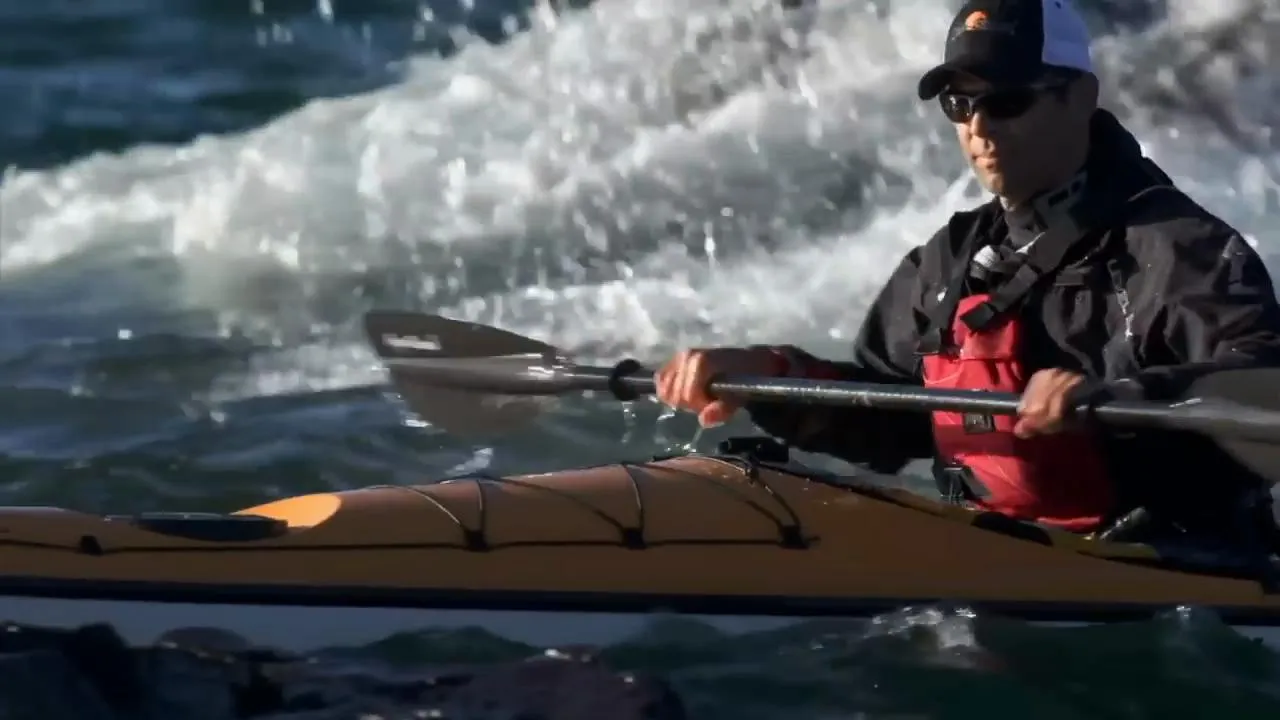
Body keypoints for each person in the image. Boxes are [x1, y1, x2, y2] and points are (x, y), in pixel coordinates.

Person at [654, 0, 1280, 546]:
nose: (979, 127)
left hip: (1175, 578)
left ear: (1080, 98)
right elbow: (888, 415)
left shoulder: (1181, 251)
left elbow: (1264, 390)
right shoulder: (951, 258)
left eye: (1006, 101)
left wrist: (1112, 402)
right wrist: (768, 378)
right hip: (1004, 561)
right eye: (961, 104)